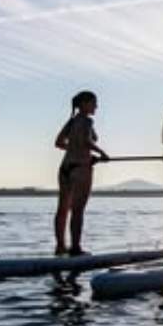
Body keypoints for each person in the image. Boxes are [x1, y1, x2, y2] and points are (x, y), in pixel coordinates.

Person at [54, 90, 108, 256]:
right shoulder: (87, 121)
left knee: (62, 209)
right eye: (94, 103)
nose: (96, 106)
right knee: (77, 210)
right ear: (84, 104)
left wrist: (76, 149)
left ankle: (60, 246)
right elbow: (87, 140)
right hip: (80, 168)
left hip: (65, 168)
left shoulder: (72, 121)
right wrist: (102, 154)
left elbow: (58, 142)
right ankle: (76, 248)